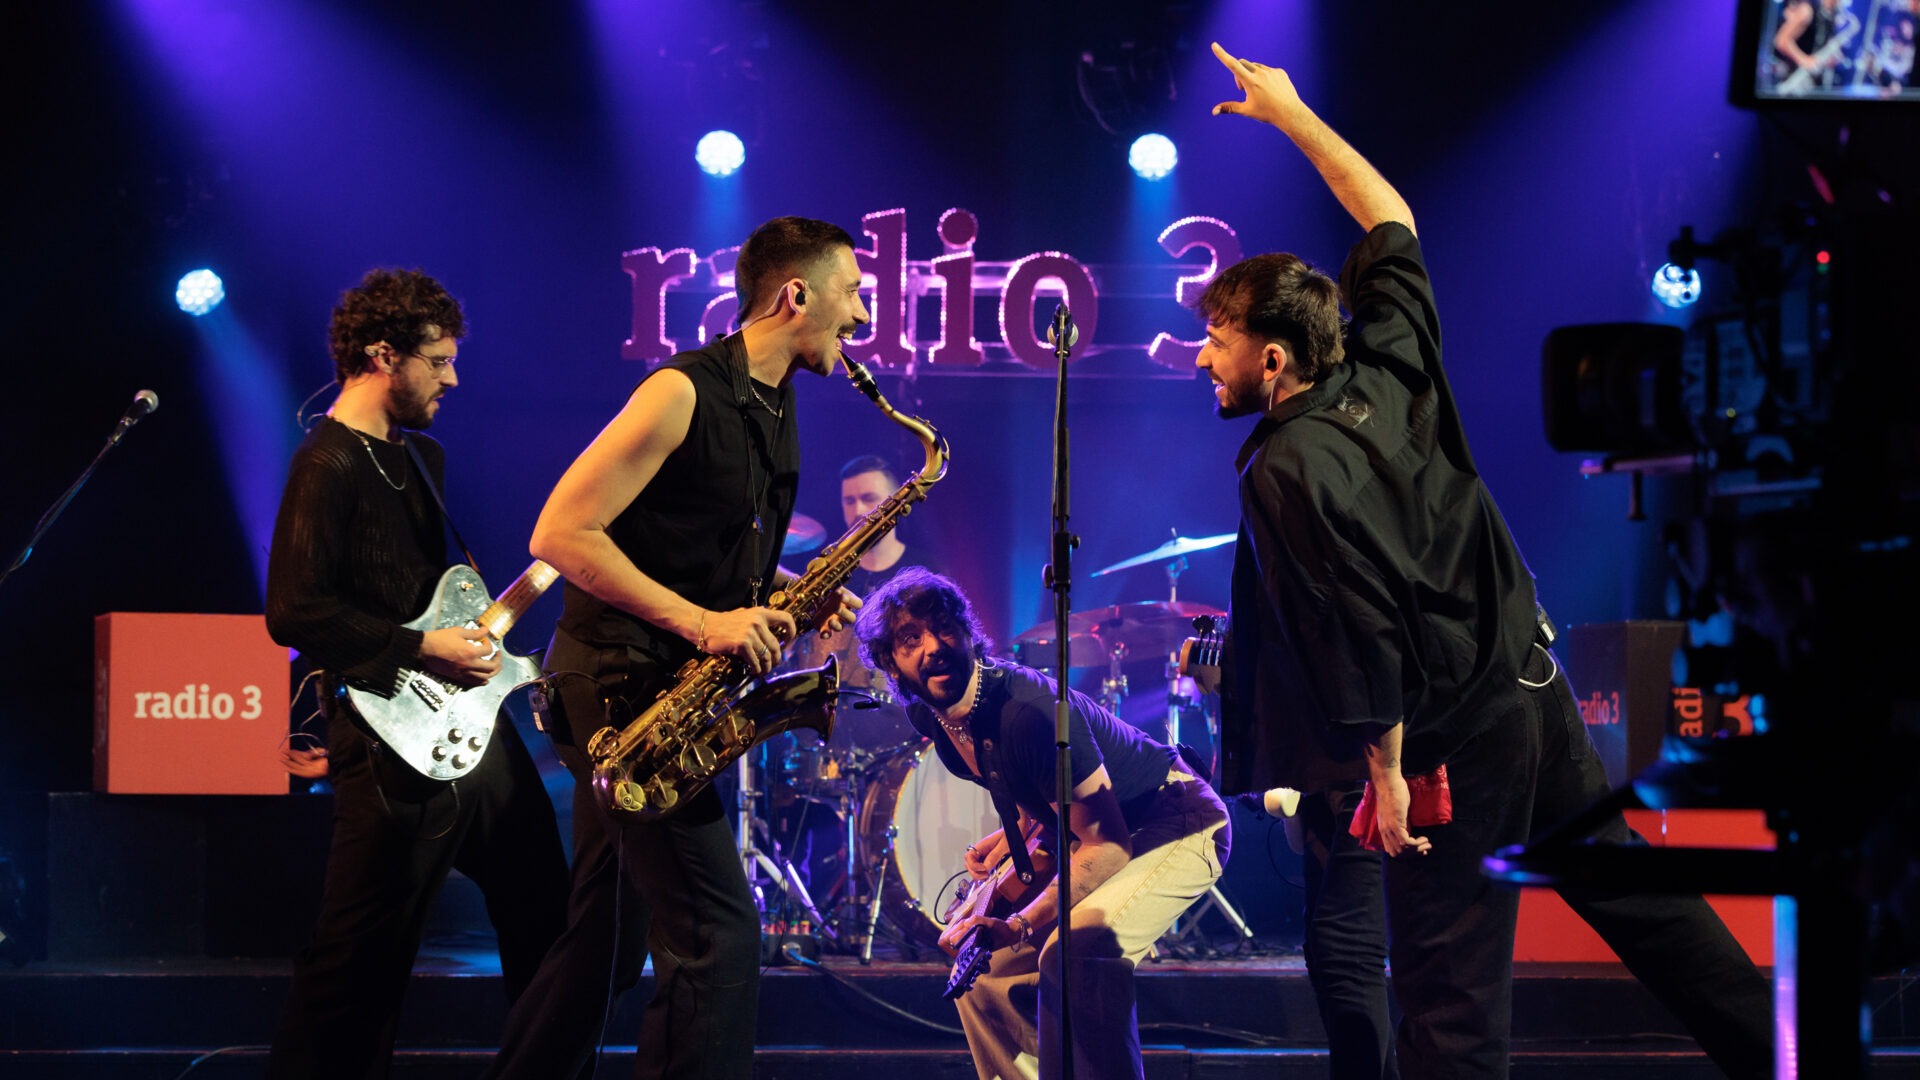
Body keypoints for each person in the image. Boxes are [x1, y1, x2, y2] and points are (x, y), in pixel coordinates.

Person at [1196, 43, 1774, 1078]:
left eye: (1218, 338)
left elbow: (1358, 625)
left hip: (1448, 744)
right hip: (1532, 693)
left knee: (1448, 998)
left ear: (1272, 358)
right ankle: (1787, 1054)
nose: (1202, 355)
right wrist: (1292, 115)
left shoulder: (1286, 465)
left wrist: (1387, 775)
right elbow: (1391, 218)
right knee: (1637, 899)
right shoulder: (1391, 361)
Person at [483, 215, 867, 1080]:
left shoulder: (778, 404)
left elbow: (699, 554)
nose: (862, 315)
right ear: (795, 295)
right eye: (851, 292)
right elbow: (560, 533)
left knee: (607, 943)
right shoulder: (681, 392)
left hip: (663, 694)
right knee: (717, 935)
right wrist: (703, 624)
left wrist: (786, 595)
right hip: (619, 692)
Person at [263, 267, 569, 1078]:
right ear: (382, 356)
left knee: (546, 909)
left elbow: (439, 599)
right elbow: (292, 610)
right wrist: (423, 650)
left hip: (468, 726)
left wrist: (470, 645)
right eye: (438, 361)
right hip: (383, 737)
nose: (453, 379)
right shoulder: (326, 463)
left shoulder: (421, 456)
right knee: (360, 958)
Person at [853, 567, 1231, 1080]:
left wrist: (1018, 924)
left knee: (1075, 954)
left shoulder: (1028, 713)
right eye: (910, 639)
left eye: (944, 628)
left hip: (1176, 820)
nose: (934, 647)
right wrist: (1005, 845)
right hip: (1100, 831)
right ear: (890, 664)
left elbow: (1107, 845)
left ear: (968, 633)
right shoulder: (932, 714)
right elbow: (1042, 799)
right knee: (984, 974)